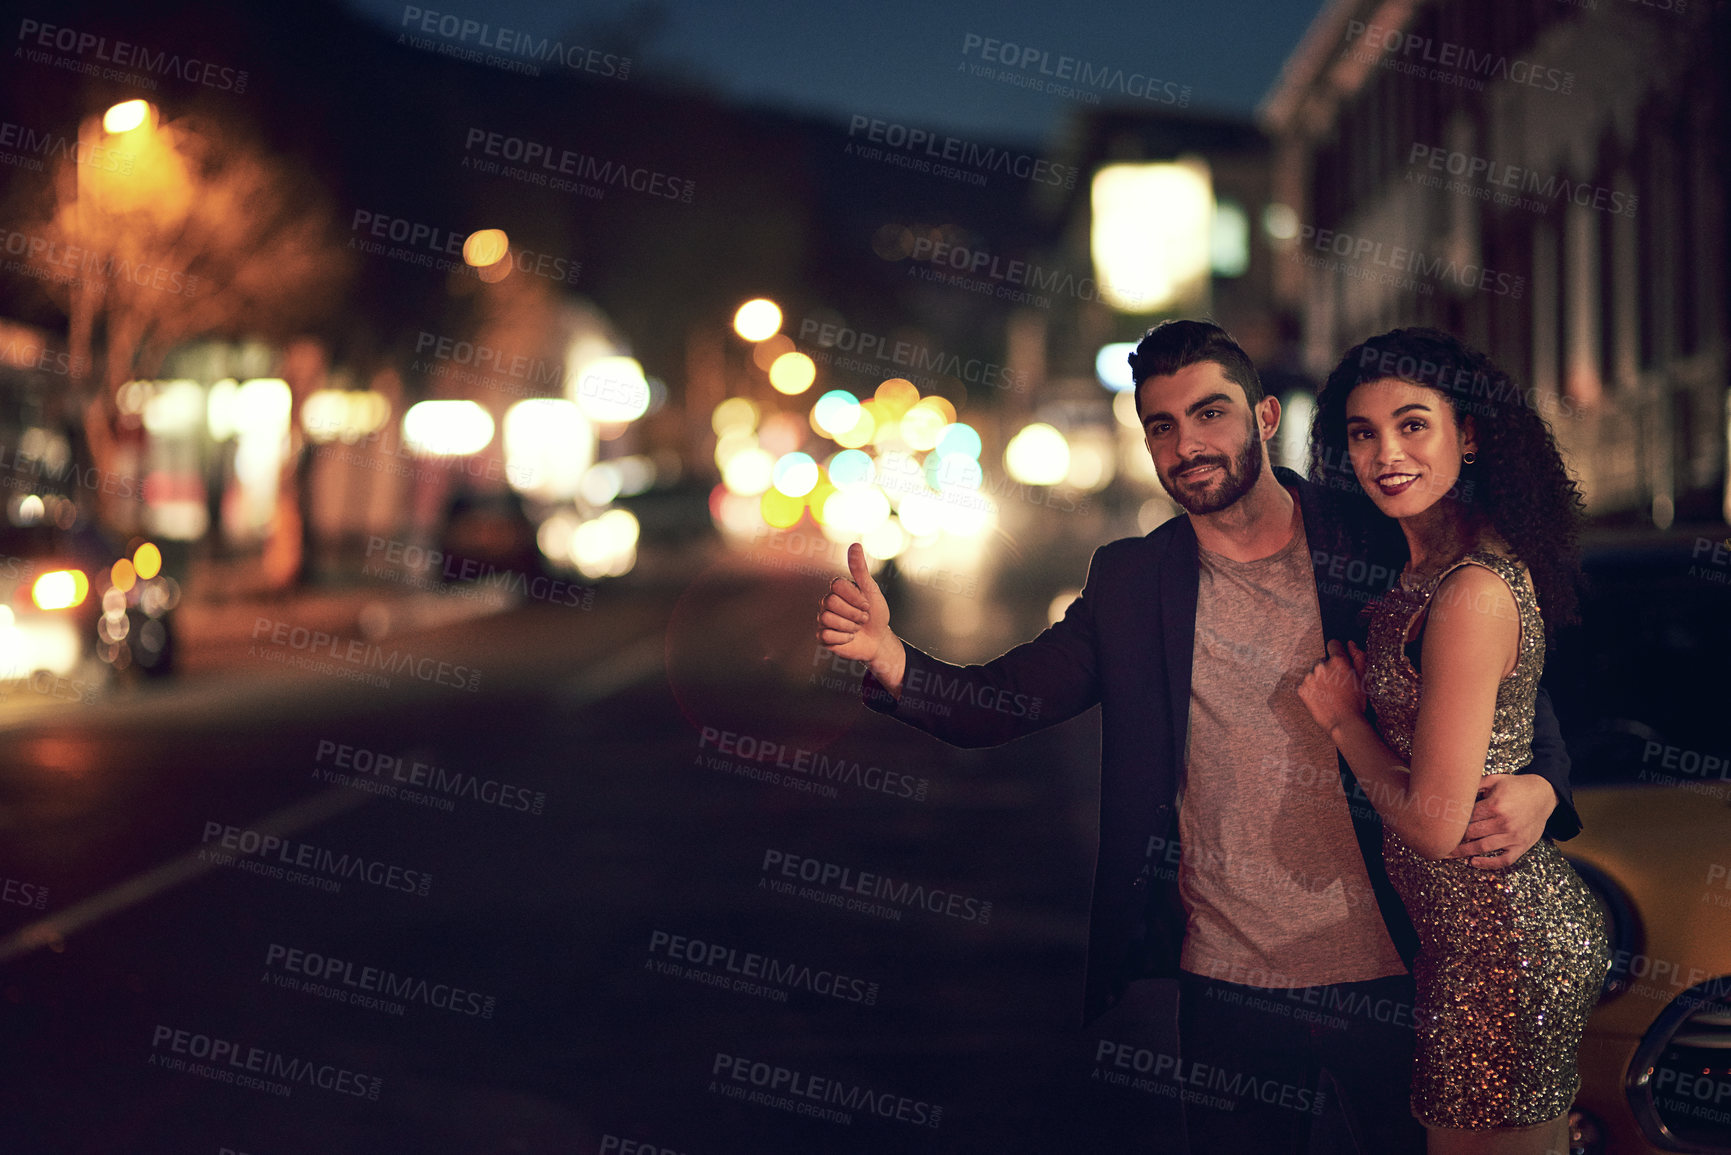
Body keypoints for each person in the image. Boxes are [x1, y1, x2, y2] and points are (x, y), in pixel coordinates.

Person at [815, 319, 1581, 1154]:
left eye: (1209, 413)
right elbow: (1005, 699)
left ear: (1261, 418)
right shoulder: (1134, 581)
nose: (1187, 444)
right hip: (1229, 984)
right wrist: (893, 658)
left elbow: (1497, 672)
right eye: (1162, 425)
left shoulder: (1367, 534)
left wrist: (1543, 781)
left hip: (1397, 966)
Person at [1297, 328, 1609, 1155]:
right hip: (1458, 935)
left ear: (1465, 435)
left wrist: (1341, 720)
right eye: (1362, 432)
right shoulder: (1416, 565)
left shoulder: (1470, 588)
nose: (1385, 453)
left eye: (1411, 424)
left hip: (1498, 942)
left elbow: (1436, 822)